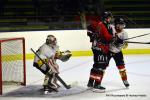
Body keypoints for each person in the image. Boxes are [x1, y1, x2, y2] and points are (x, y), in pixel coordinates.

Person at [87, 11, 114, 92]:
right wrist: (114, 38)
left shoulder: (100, 24)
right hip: (101, 48)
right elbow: (106, 36)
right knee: (101, 67)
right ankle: (97, 84)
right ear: (106, 18)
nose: (110, 19)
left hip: (95, 48)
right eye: (109, 18)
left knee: (96, 65)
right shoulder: (102, 25)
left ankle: (90, 82)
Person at [109, 17, 129, 88]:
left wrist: (121, 43)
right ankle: (97, 82)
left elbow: (126, 45)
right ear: (116, 25)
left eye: (123, 25)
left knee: (121, 67)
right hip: (108, 51)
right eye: (121, 25)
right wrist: (114, 40)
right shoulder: (111, 28)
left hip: (118, 52)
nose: (122, 26)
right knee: (102, 66)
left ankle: (125, 79)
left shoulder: (125, 33)